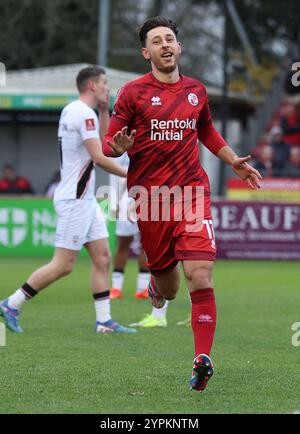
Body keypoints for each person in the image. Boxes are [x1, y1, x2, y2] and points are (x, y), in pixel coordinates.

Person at [102, 17, 262, 392]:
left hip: (192, 194)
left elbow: (204, 129)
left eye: (170, 38)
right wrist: (118, 148)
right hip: (152, 201)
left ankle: (202, 358)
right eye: (156, 41)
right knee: (170, 288)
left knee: (201, 275)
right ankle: (157, 289)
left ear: (179, 46)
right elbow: (110, 142)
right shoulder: (132, 93)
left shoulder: (196, 91)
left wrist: (232, 160)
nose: (165, 45)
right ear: (147, 53)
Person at [0, 66, 136, 335]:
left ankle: (104, 321)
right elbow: (100, 157)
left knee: (103, 257)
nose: (107, 88)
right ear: (92, 86)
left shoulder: (79, 111)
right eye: (104, 83)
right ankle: (11, 304)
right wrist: (133, 174)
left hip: (84, 200)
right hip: (75, 199)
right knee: (63, 265)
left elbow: (106, 144)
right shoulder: (81, 113)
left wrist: (105, 110)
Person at [109, 152, 150, 300]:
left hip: (146, 197)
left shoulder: (149, 141)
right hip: (123, 199)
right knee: (123, 243)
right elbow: (114, 176)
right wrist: (114, 202)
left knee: (145, 244)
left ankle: (143, 288)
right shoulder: (119, 145)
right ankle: (116, 287)